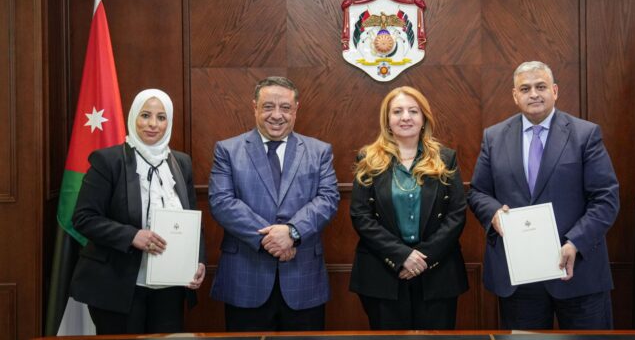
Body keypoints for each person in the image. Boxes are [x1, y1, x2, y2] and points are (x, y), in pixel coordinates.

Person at [467, 61, 620, 330]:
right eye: (525, 89)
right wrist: (493, 213)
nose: (534, 94)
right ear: (515, 95)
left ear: (555, 91)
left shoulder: (585, 135)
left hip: (577, 270)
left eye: (541, 87)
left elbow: (605, 198)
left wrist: (575, 242)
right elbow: (478, 192)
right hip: (520, 278)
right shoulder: (494, 137)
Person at [70, 89, 206, 334]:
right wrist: (132, 235)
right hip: (118, 285)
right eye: (145, 115)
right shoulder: (108, 161)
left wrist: (197, 261)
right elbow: (83, 218)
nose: (153, 124)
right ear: (133, 116)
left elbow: (193, 222)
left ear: (169, 122)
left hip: (169, 288)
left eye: (161, 117)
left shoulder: (181, 163)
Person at [209, 76, 340, 331]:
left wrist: (292, 232)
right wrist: (271, 240)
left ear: (296, 109)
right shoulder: (228, 150)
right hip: (246, 278)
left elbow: (328, 199)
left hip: (303, 278)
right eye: (268, 107)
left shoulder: (319, 151)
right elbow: (222, 202)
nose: (277, 115)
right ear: (255, 107)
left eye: (285, 107)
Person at [350, 86, 468, 329]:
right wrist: (402, 256)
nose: (405, 117)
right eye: (397, 111)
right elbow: (361, 216)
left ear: (424, 118)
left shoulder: (445, 159)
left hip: (437, 273)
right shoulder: (368, 159)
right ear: (387, 119)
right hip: (383, 273)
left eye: (413, 111)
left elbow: (456, 215)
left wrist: (422, 258)